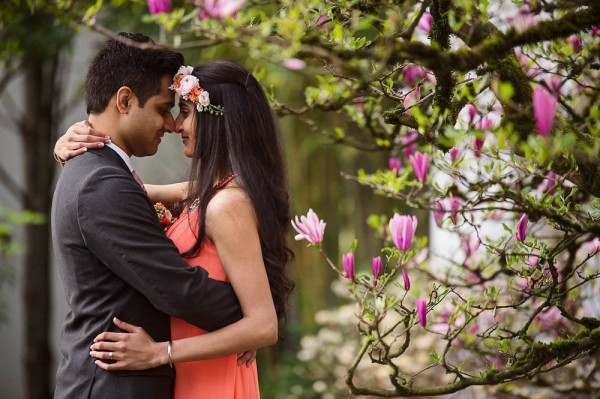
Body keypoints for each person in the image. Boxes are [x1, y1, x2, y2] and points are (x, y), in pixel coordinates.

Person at [54, 60, 295, 398]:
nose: (175, 125)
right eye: (172, 111)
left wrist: (160, 352)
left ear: (218, 121)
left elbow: (263, 325)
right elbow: (118, 190)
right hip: (189, 373)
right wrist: (75, 151)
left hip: (208, 375)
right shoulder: (210, 194)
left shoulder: (226, 206)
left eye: (185, 112)